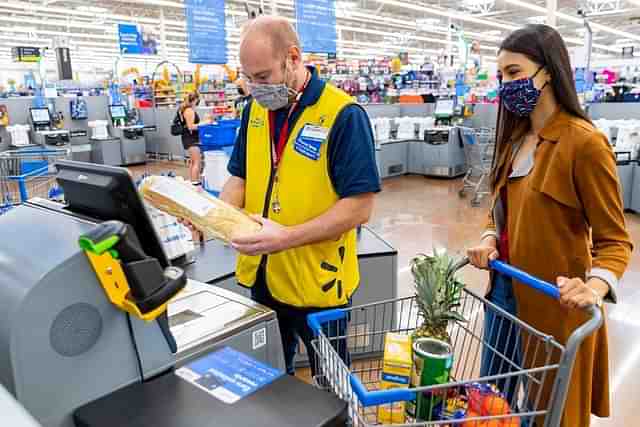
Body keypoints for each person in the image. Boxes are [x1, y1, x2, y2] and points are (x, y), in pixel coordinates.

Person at [467, 25, 632, 426]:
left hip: (553, 307)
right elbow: (500, 211)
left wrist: (592, 287)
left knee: (548, 412)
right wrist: (490, 237)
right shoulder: (515, 141)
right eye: (501, 75)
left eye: (514, 72)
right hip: (503, 295)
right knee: (493, 407)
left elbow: (615, 241)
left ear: (548, 72)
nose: (505, 85)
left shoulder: (584, 144)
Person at [221, 16, 380, 376]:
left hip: (318, 284)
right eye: (248, 78)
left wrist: (286, 237)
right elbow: (240, 176)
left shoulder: (343, 115)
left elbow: (360, 207)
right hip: (264, 277)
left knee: (334, 382)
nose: (254, 88)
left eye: (262, 77)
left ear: (293, 58)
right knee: (271, 377)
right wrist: (214, 213)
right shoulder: (255, 111)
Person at [179, 92, 203, 185]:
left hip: (189, 138)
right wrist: (203, 124)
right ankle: (195, 183)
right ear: (195, 100)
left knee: (193, 162)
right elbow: (191, 127)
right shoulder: (189, 111)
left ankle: (192, 182)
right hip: (191, 139)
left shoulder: (186, 109)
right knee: (197, 162)